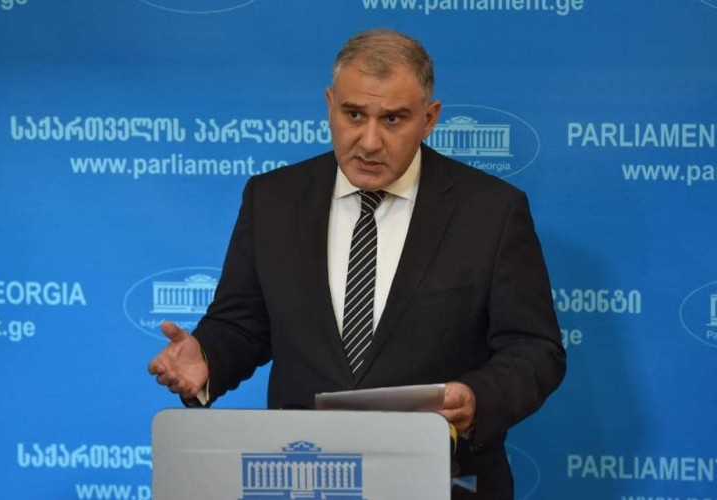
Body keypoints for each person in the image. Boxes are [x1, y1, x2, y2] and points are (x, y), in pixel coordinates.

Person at [149, 28, 565, 499]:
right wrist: (208, 357)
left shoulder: (491, 211)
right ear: (330, 105)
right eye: (353, 115)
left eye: (393, 119)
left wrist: (476, 399)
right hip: (306, 480)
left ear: (429, 119)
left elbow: (535, 349)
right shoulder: (273, 199)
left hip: (446, 481)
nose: (369, 141)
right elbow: (243, 324)